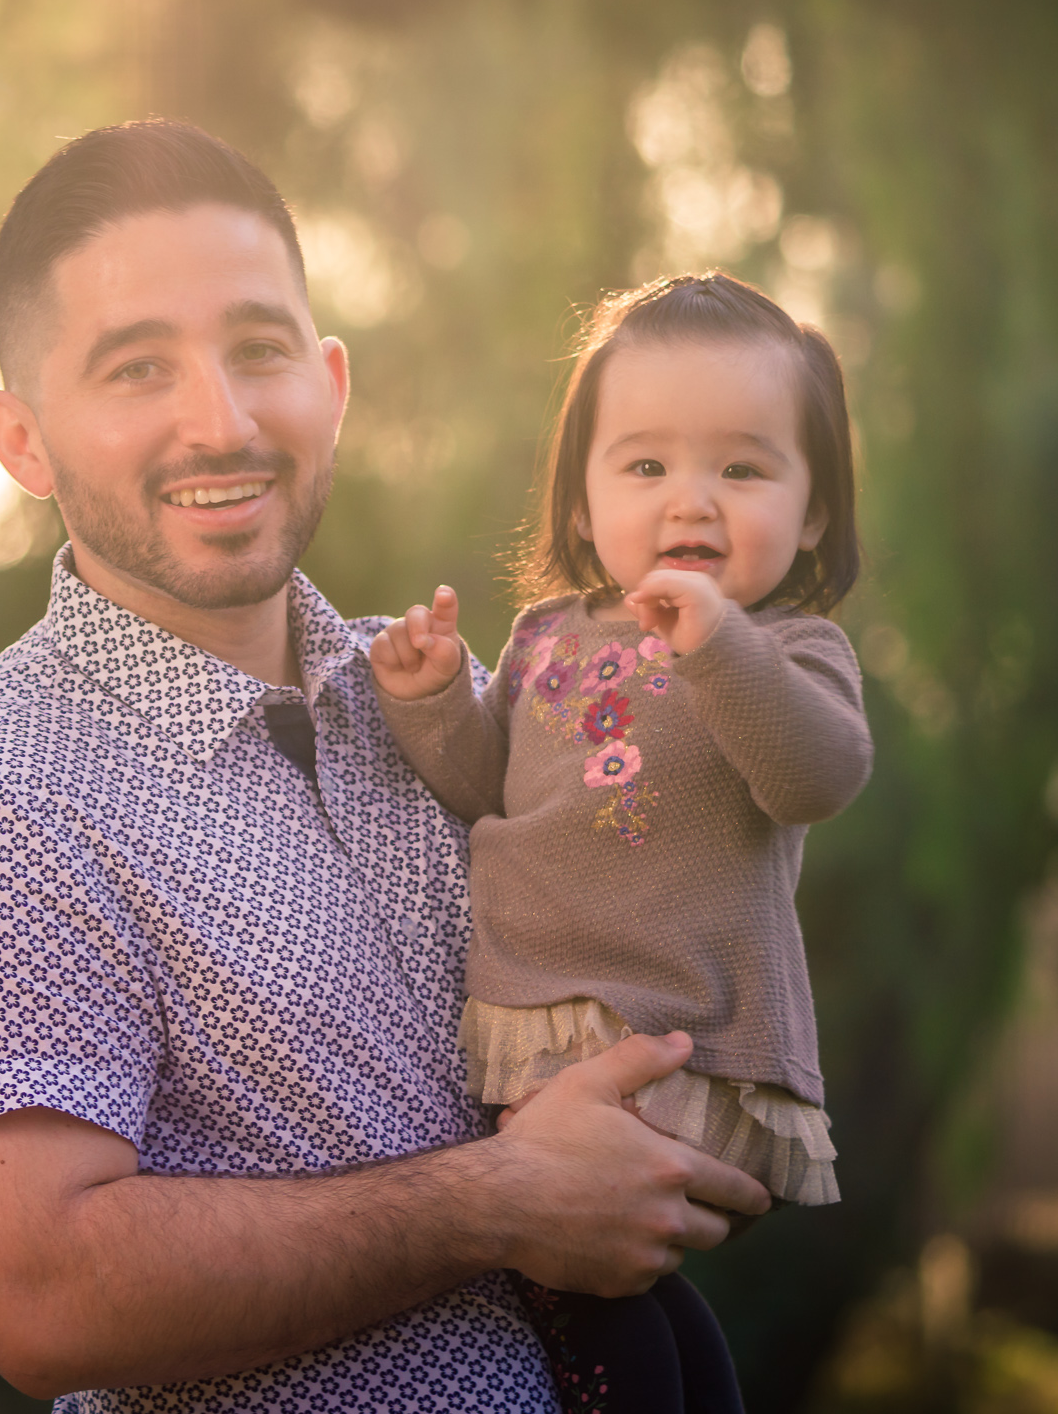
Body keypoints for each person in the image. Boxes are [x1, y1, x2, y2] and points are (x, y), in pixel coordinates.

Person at [0, 120, 770, 1413]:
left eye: (259, 350)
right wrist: (495, 1204)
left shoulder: (458, 703)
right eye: (136, 369)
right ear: (22, 442)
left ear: (330, 380)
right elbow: (42, 1296)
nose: (219, 422)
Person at [368, 272, 872, 1413]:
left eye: (742, 468)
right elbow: (486, 788)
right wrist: (435, 699)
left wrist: (721, 646)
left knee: (581, 1290)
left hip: (675, 1036)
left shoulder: (788, 647)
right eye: (646, 466)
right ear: (585, 506)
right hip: (543, 1020)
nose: (690, 500)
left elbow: (817, 775)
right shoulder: (548, 634)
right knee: (604, 1299)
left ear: (815, 511)